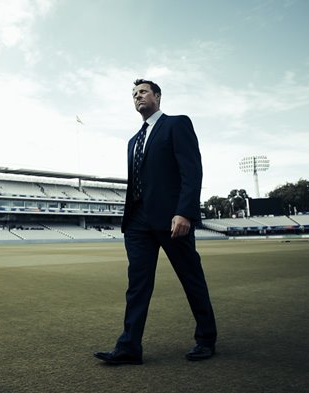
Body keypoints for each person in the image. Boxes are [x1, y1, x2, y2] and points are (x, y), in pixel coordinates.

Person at [94, 79, 217, 365]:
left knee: (191, 279)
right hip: (137, 222)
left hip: (171, 218)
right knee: (137, 285)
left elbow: (191, 169)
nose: (138, 97)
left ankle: (206, 339)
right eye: (134, 94)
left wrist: (185, 212)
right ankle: (129, 347)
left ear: (158, 96)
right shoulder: (132, 141)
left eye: (143, 92)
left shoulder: (177, 124)